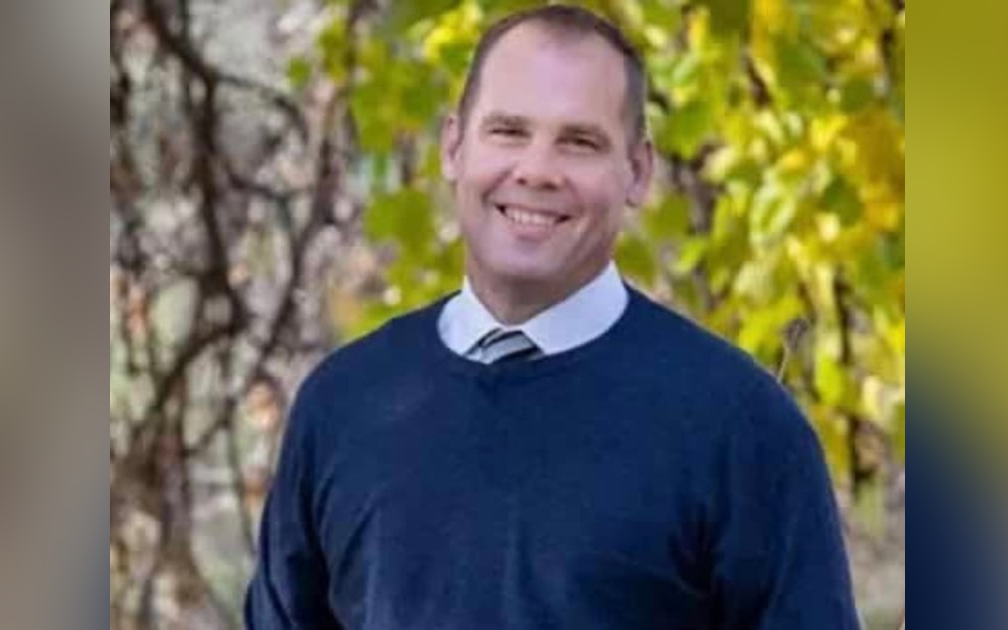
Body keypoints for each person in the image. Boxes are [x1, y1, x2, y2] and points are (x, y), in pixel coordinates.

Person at [245, 5, 860, 629]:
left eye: (580, 142)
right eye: (508, 131)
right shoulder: (345, 404)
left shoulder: (740, 429)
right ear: (454, 146)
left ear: (638, 172)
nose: (537, 170)